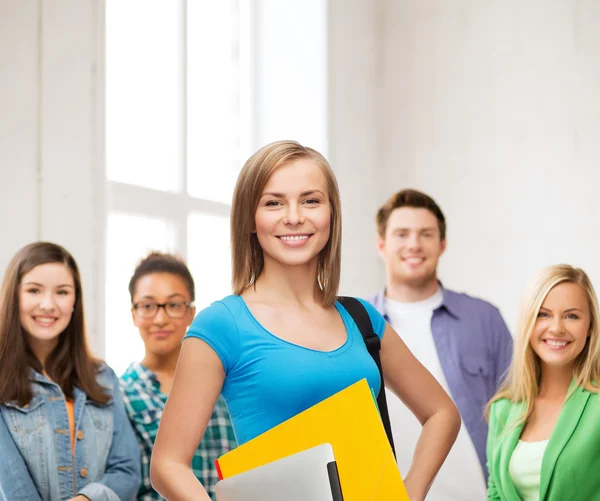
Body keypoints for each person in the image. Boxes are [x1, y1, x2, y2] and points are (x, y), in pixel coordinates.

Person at [149, 140, 461, 501]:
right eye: (273, 202)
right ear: (250, 219)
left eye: (311, 200)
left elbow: (442, 413)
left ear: (331, 214)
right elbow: (167, 465)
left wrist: (409, 494)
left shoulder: (362, 319)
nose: (294, 216)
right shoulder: (222, 324)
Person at [368, 188, 513, 499]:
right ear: (381, 245)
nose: (414, 245)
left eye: (426, 234)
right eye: (402, 234)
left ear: (442, 244)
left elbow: (520, 411)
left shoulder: (485, 319)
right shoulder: (355, 325)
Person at [0, 242, 140, 501]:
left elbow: (128, 471)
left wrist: (86, 499)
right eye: (34, 290)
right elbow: (13, 486)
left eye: (62, 292)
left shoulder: (103, 377)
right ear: (14, 296)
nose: (48, 304)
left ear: (75, 300)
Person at [120, 252, 236, 500]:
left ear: (191, 313)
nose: (160, 319)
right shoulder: (119, 396)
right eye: (148, 306)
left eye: (173, 305)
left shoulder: (223, 388)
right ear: (134, 314)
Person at [486, 265, 600, 500]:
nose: (557, 328)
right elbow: (496, 491)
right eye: (543, 314)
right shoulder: (503, 409)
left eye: (572, 316)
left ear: (590, 326)